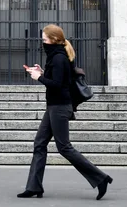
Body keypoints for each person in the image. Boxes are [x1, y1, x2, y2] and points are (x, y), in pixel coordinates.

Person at [17, 24, 113, 200]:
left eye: (45, 40)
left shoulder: (59, 57)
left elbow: (59, 85)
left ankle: (101, 178)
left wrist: (39, 78)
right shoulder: (55, 56)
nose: (43, 42)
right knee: (39, 143)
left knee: (64, 147)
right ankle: (34, 186)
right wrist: (42, 72)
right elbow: (58, 79)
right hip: (54, 105)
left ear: (53, 40)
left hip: (60, 106)